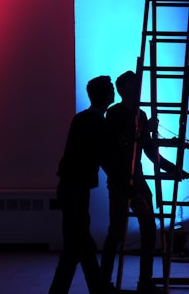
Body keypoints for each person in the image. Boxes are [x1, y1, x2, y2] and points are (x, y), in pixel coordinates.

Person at [101, 70, 189, 294]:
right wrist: (141, 132)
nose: (136, 87)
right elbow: (114, 147)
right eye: (132, 84)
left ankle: (145, 281)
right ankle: (103, 284)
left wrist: (173, 168)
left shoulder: (140, 114)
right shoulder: (114, 114)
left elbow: (149, 150)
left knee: (149, 228)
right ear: (123, 89)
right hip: (120, 179)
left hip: (137, 177)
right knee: (116, 232)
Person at [49, 76, 115, 294]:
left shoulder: (82, 119)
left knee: (80, 247)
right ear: (107, 96)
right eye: (111, 89)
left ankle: (97, 289)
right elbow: (105, 156)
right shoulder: (97, 123)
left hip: (71, 188)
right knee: (77, 248)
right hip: (76, 190)